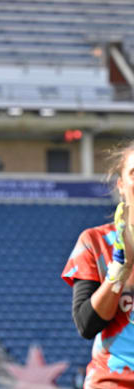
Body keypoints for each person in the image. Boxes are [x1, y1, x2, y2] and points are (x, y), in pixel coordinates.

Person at [61, 141, 134, 388]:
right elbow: (86, 324)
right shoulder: (95, 241)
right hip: (113, 380)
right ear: (121, 185)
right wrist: (120, 270)